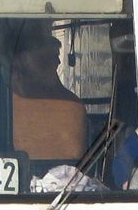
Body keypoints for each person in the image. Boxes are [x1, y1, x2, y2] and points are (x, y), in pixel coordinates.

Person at [9, 25, 88, 161]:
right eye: (44, 59)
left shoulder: (70, 107)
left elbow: (72, 157)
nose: (57, 63)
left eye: (54, 58)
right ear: (20, 60)